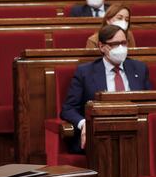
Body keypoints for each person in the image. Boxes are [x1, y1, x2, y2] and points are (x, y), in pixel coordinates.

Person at [61, 24, 151, 154]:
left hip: (137, 132)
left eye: (124, 43)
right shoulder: (85, 72)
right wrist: (84, 123)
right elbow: (68, 109)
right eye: (114, 44)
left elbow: (150, 104)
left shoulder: (139, 68)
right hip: (101, 135)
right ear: (101, 46)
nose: (121, 48)